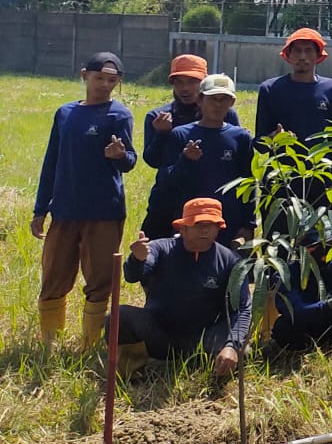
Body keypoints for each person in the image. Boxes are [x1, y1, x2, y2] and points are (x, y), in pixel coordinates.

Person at [32, 52, 138, 348]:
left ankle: (90, 344)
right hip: (65, 210)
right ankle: (49, 342)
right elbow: (52, 160)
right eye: (99, 78)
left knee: (99, 279)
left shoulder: (119, 115)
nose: (104, 85)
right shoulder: (65, 113)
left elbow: (130, 160)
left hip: (104, 211)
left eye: (112, 81)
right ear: (84, 76)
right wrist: (41, 208)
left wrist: (119, 157)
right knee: (54, 275)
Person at [113, 198, 249, 378]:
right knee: (120, 316)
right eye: (198, 224)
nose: (205, 230)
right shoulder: (160, 248)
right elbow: (132, 275)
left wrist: (232, 346)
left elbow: (243, 308)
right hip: (160, 333)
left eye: (211, 224)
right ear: (182, 228)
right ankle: (132, 373)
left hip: (205, 338)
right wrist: (137, 259)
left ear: (219, 228)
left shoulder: (231, 261)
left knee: (242, 352)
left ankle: (212, 375)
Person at [140, 54, 240, 239]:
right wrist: (161, 134)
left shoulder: (224, 114)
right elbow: (153, 161)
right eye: (178, 82)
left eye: (192, 81)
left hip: (208, 202)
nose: (185, 88)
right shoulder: (158, 117)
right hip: (168, 202)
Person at [256, 28, 332, 210]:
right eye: (297, 50)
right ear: (288, 55)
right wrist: (274, 138)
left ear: (318, 56)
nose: (302, 56)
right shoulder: (270, 89)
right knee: (277, 236)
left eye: (308, 50)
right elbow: (259, 143)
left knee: (319, 238)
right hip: (281, 180)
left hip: (320, 179)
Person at [162, 74, 256, 245]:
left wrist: (248, 224)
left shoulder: (240, 137)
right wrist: (186, 159)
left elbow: (248, 183)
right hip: (191, 220)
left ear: (232, 103)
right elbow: (166, 181)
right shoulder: (181, 134)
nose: (218, 105)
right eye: (213, 99)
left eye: (224, 99)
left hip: (228, 220)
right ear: (200, 100)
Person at [269, 225, 332, 350]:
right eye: (316, 247)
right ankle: (305, 346)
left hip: (330, 325)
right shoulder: (286, 275)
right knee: (283, 330)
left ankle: (330, 343)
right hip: (299, 328)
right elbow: (296, 312)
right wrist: (329, 305)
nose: (323, 252)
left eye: (328, 244)